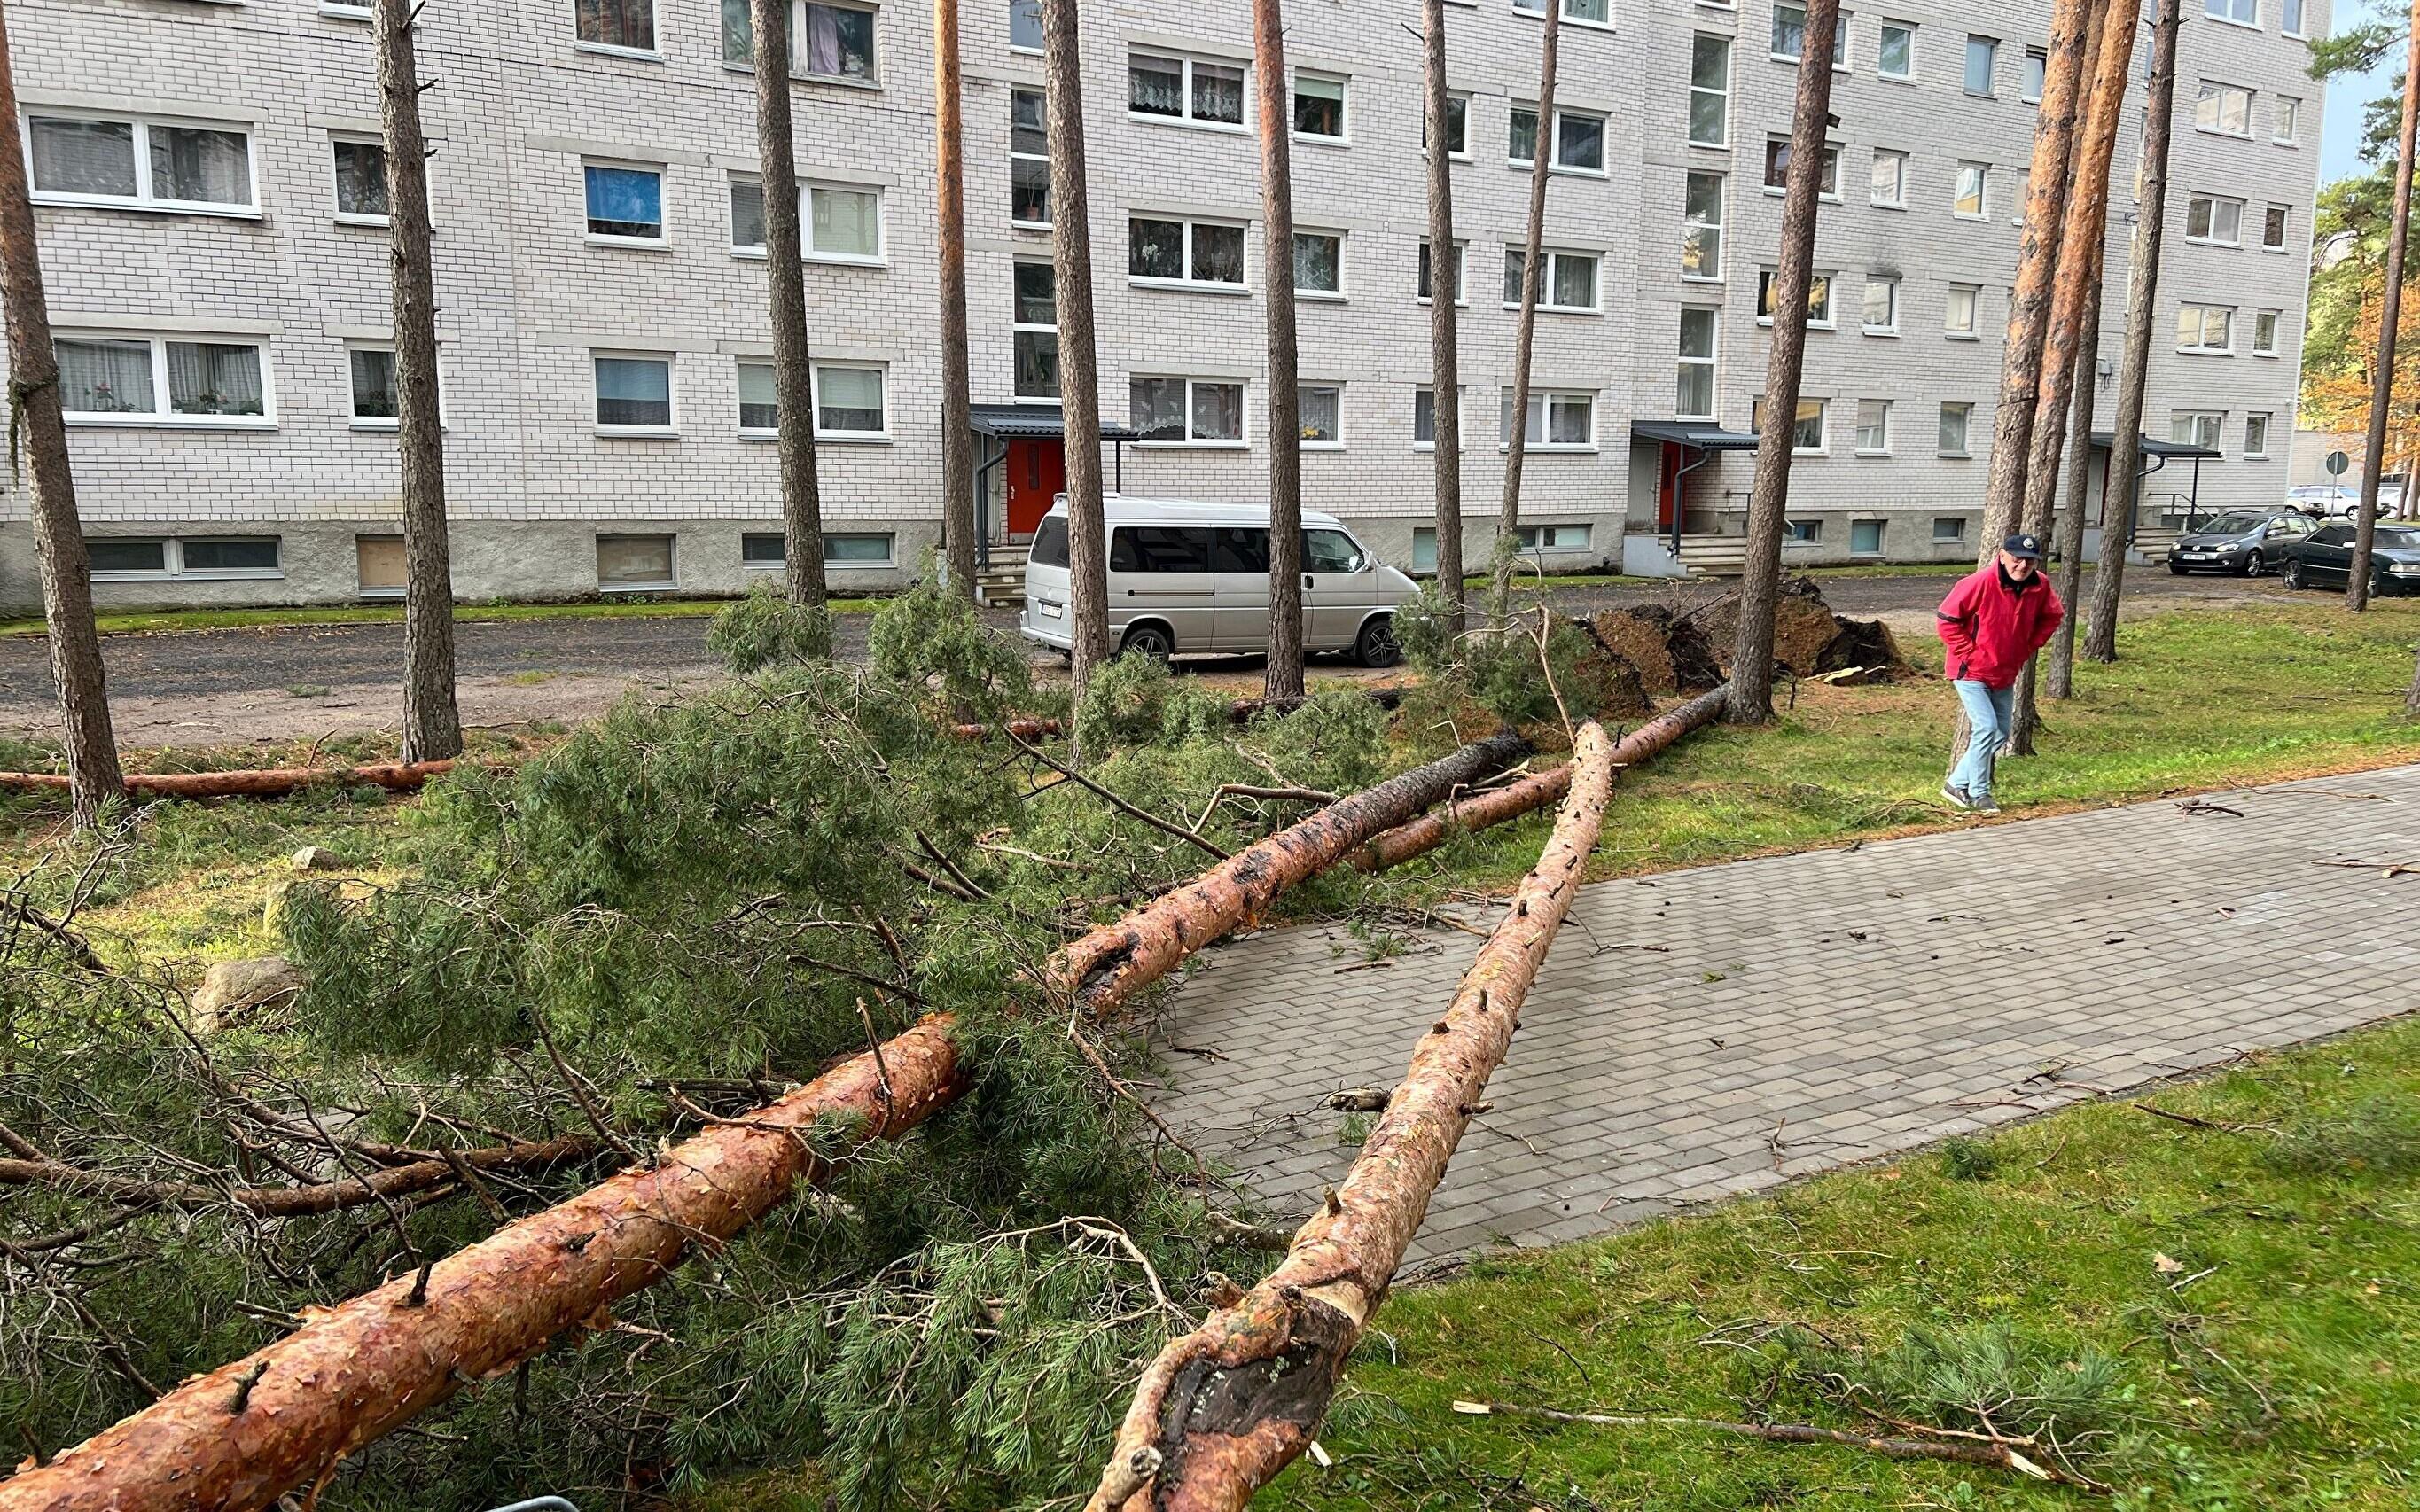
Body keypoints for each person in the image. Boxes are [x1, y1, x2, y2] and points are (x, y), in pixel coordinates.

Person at [1935, 533, 2064, 815]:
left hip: (2005, 671)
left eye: (2029, 561)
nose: (2022, 565)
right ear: (2003, 556)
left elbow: (2053, 616)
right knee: (1986, 727)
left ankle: (1956, 782)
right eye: (2017, 558)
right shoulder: (1978, 583)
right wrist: (1973, 654)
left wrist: (2028, 647)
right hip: (1970, 672)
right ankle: (1979, 792)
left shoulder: (2040, 585)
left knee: (2000, 732)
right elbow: (1946, 622)